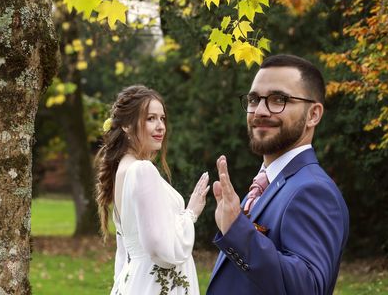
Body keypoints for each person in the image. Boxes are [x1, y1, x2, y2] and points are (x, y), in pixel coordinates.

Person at [207, 54, 349, 295]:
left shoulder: (313, 190)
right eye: (254, 99)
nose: (260, 111)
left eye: (278, 99)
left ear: (313, 114)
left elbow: (308, 289)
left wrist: (237, 231)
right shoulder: (268, 184)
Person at [95, 85, 210, 295]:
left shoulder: (123, 168)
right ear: (126, 126)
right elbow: (159, 248)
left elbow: (125, 251)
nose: (160, 127)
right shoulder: (142, 170)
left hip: (136, 280)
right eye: (150, 119)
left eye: (162, 118)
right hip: (154, 285)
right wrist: (191, 213)